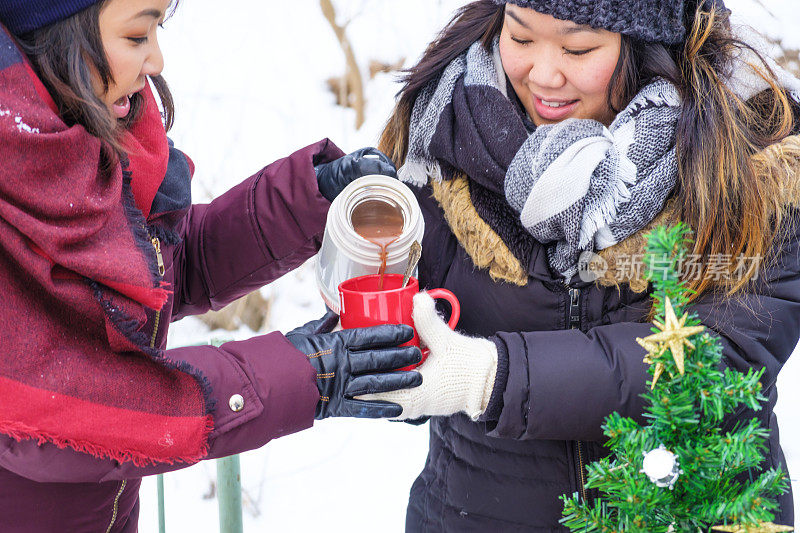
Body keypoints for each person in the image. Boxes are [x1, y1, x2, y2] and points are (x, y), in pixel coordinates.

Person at [363, 0, 800, 530]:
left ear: (647, 49)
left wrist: (490, 378)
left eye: (578, 48)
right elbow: (409, 325)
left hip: (695, 512)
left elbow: (725, 358)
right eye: (521, 39)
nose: (544, 74)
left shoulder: (749, 154)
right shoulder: (445, 130)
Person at [0, 0, 421, 531]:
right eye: (137, 36)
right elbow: (65, 410)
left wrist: (306, 200)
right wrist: (300, 373)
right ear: (56, 35)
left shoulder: (73, 145)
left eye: (157, 29)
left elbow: (157, 273)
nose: (156, 61)